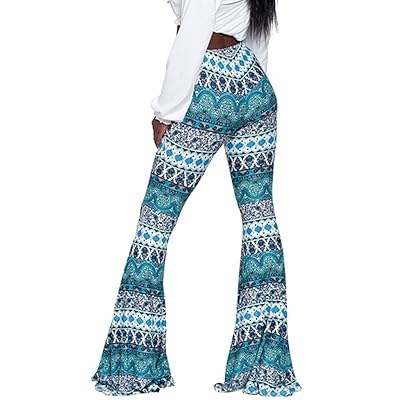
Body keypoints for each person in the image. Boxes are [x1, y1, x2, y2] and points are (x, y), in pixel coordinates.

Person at [91, 0, 303, 396]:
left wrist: (166, 111)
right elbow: (257, 33)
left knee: (154, 228)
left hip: (206, 86)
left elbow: (194, 32)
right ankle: (264, 366)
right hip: (254, 85)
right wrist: (252, 87)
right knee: (259, 218)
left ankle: (134, 367)